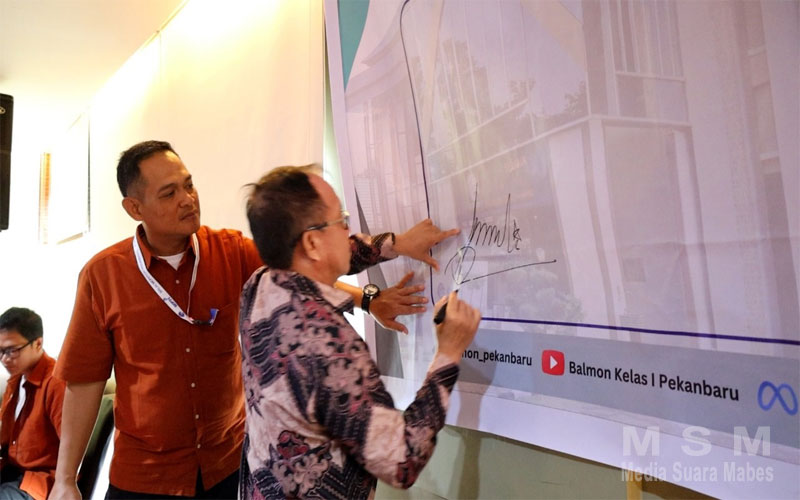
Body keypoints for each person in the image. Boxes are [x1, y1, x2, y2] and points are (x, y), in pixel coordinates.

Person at [51, 141, 457, 499]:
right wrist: (66, 478)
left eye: (189, 185)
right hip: (146, 477)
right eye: (169, 193)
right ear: (134, 208)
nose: (188, 199)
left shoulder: (230, 253)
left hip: (228, 466)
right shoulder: (103, 276)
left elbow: (299, 267)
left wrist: (375, 288)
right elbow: (84, 381)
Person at [239, 166, 481, 498]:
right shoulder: (327, 343)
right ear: (312, 242)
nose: (348, 229)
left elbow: (326, 256)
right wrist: (448, 354)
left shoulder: (259, 285)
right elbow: (402, 458)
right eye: (341, 221)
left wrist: (395, 244)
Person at [0, 307, 65, 500]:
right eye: (0, 351)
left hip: (40, 479)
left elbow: (72, 449)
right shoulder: (16, 380)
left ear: (38, 343)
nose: (4, 359)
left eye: (12, 351)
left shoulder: (56, 383)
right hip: (12, 468)